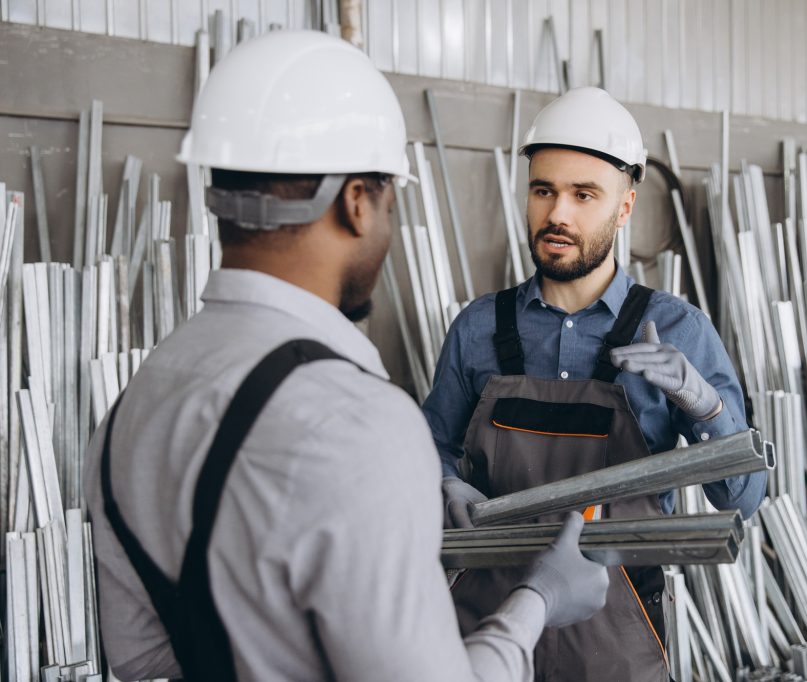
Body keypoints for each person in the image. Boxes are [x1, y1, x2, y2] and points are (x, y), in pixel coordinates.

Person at [84, 31, 610, 682]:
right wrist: (539, 601)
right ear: (358, 200)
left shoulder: (132, 408)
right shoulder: (360, 424)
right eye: (388, 200)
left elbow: (141, 660)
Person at [423, 86, 768, 682]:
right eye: (543, 190)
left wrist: (706, 407)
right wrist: (443, 481)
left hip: (617, 638)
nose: (558, 214)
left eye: (584, 195)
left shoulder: (679, 331)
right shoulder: (479, 328)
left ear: (625, 206)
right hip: (489, 635)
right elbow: (428, 447)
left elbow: (740, 500)